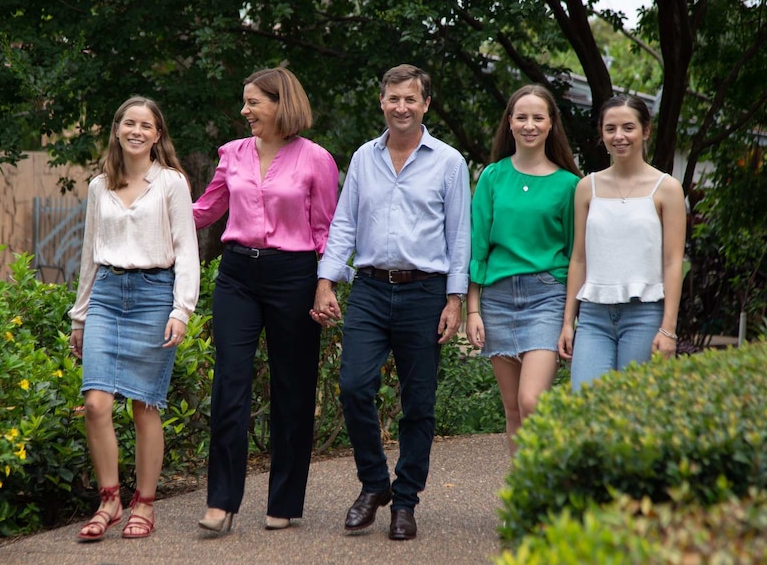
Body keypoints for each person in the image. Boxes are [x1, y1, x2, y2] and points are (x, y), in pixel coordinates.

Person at [311, 64, 470, 541]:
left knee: (418, 403)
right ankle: (374, 484)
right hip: (371, 288)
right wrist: (326, 281)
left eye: (411, 99)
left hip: (425, 292)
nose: (402, 106)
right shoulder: (364, 157)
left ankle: (405, 501)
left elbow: (459, 235)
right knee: (355, 386)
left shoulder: (448, 162)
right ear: (382, 101)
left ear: (424, 104)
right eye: (393, 98)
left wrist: (455, 299)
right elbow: (343, 224)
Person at [193, 67, 339, 533]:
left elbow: (328, 230)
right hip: (237, 273)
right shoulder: (232, 153)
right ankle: (221, 502)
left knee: (293, 392)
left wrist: (325, 284)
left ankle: (284, 502)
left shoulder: (316, 159)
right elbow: (205, 210)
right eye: (246, 101)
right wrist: (148, 206)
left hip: (294, 275)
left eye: (253, 102)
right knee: (229, 385)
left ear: (281, 104)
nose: (245, 110)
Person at [69, 96, 200, 541]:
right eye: (129, 123)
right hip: (106, 295)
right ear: (118, 129)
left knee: (144, 406)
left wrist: (181, 310)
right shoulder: (98, 186)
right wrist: (80, 318)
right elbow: (89, 254)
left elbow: (187, 250)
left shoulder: (171, 183)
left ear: (157, 134)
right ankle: (109, 499)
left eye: (146, 125)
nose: (137, 131)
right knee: (95, 404)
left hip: (153, 297)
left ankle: (144, 503)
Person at [465, 85, 582, 456]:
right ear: (510, 124)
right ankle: (522, 502)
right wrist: (473, 309)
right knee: (513, 407)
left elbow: (576, 255)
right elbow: (477, 246)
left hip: (547, 295)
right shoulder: (492, 177)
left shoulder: (570, 185)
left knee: (532, 401)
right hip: (498, 298)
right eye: (521, 117)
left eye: (538, 117)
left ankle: (543, 487)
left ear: (551, 125)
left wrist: (568, 321)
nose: (529, 125)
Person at [558, 94, 686, 390]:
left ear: (646, 131)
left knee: (635, 413)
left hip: (645, 314)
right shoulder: (586, 187)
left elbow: (673, 262)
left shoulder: (667, 189)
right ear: (601, 133)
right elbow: (579, 258)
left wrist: (668, 329)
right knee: (585, 406)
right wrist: (568, 321)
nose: (619, 136)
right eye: (610, 128)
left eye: (628, 127)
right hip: (593, 317)